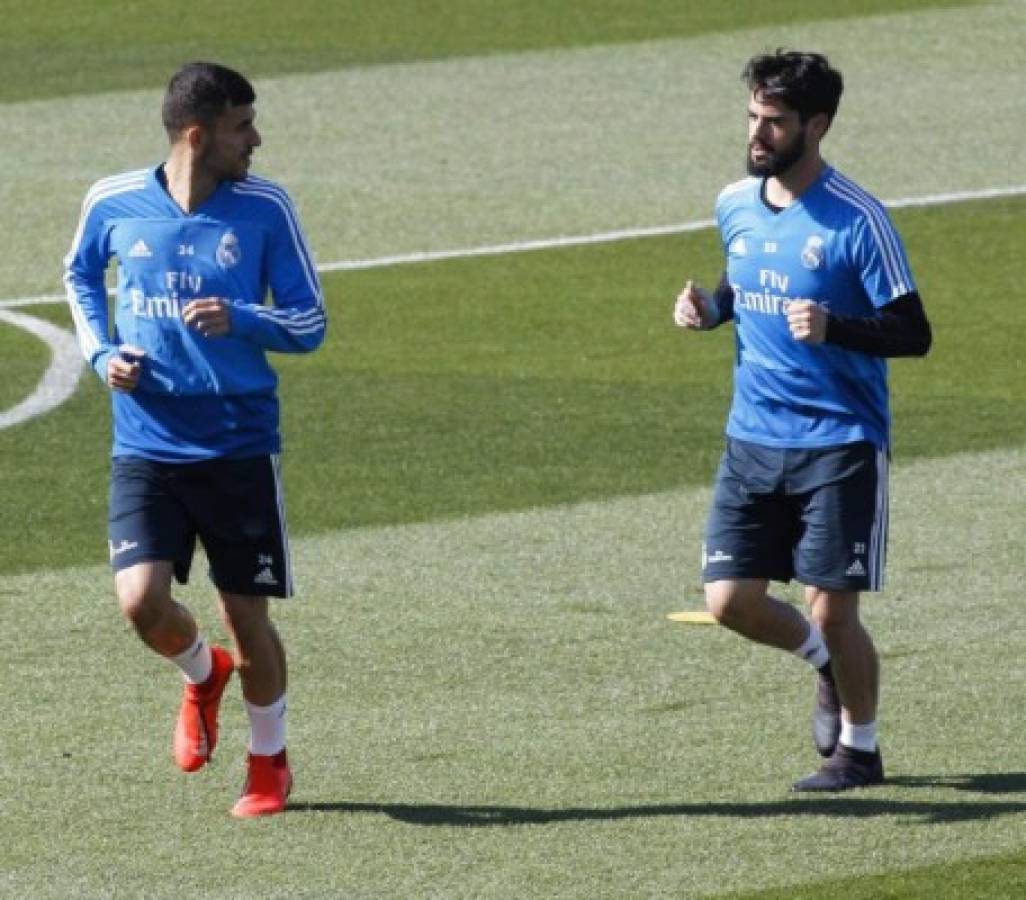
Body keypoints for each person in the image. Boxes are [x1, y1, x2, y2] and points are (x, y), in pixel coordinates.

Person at [64, 62, 326, 817]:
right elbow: (79, 274)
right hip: (146, 444)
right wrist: (102, 353)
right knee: (142, 603)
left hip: (239, 446)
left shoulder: (266, 208)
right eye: (243, 126)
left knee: (249, 618)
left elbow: (311, 323)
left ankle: (269, 762)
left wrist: (243, 318)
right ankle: (199, 674)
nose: (257, 139)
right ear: (198, 134)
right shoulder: (113, 202)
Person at [673, 50, 931, 791]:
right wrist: (710, 310)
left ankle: (860, 751)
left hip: (838, 443)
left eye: (775, 121)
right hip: (752, 439)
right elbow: (741, 282)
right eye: (753, 116)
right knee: (729, 602)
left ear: (815, 125)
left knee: (834, 608)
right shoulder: (735, 203)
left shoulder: (859, 220)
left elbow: (914, 332)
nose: (758, 133)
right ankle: (821, 665)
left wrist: (835, 327)